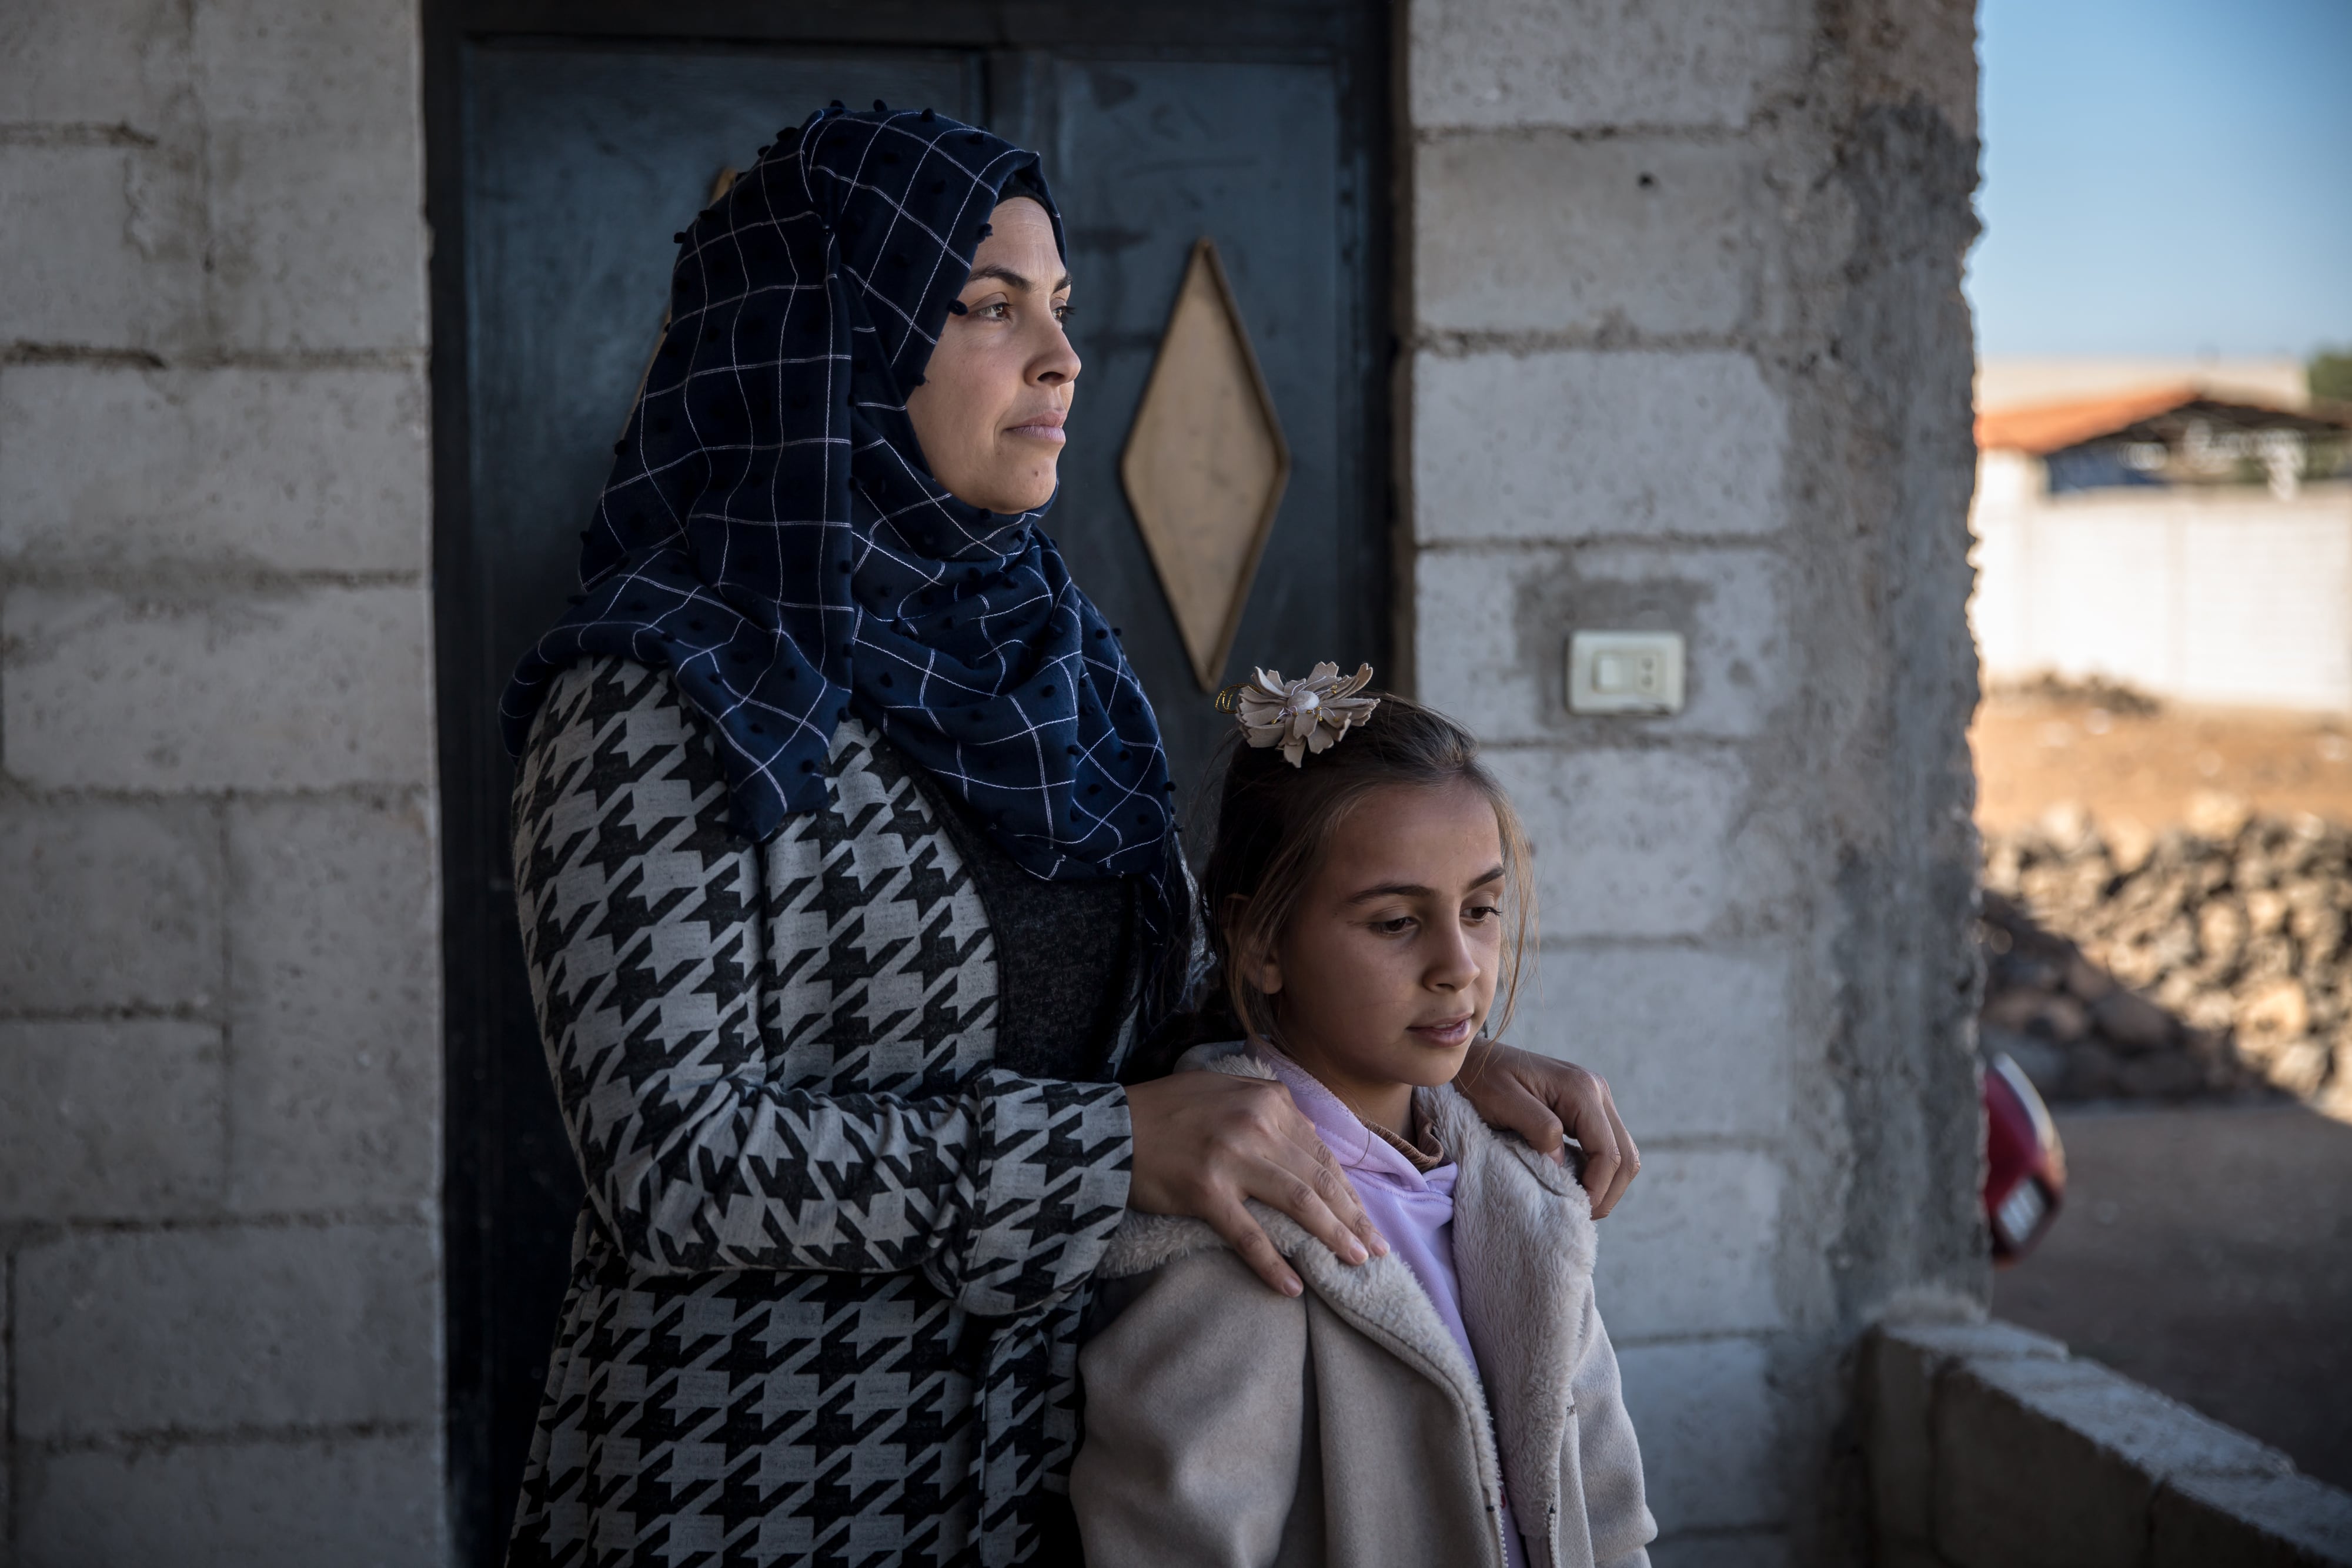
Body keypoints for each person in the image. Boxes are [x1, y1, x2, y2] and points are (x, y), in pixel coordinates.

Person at [497, 102, 1640, 1567]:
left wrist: (1429, 1063)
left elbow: (1161, 1014)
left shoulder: (1057, 657)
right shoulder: (656, 687)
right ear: (831, 335)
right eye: (986, 307)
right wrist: (1102, 1151)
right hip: (761, 1474)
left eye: (1063, 308)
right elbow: (668, 1156)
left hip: (1050, 1468)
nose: (1061, 357)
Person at [1070, 678, 1655, 1568]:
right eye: (1395, 922)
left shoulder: (1528, 1189)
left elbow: (1609, 1520)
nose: (1458, 965)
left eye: (1482, 910)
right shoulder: (1235, 1222)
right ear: (1262, 944)